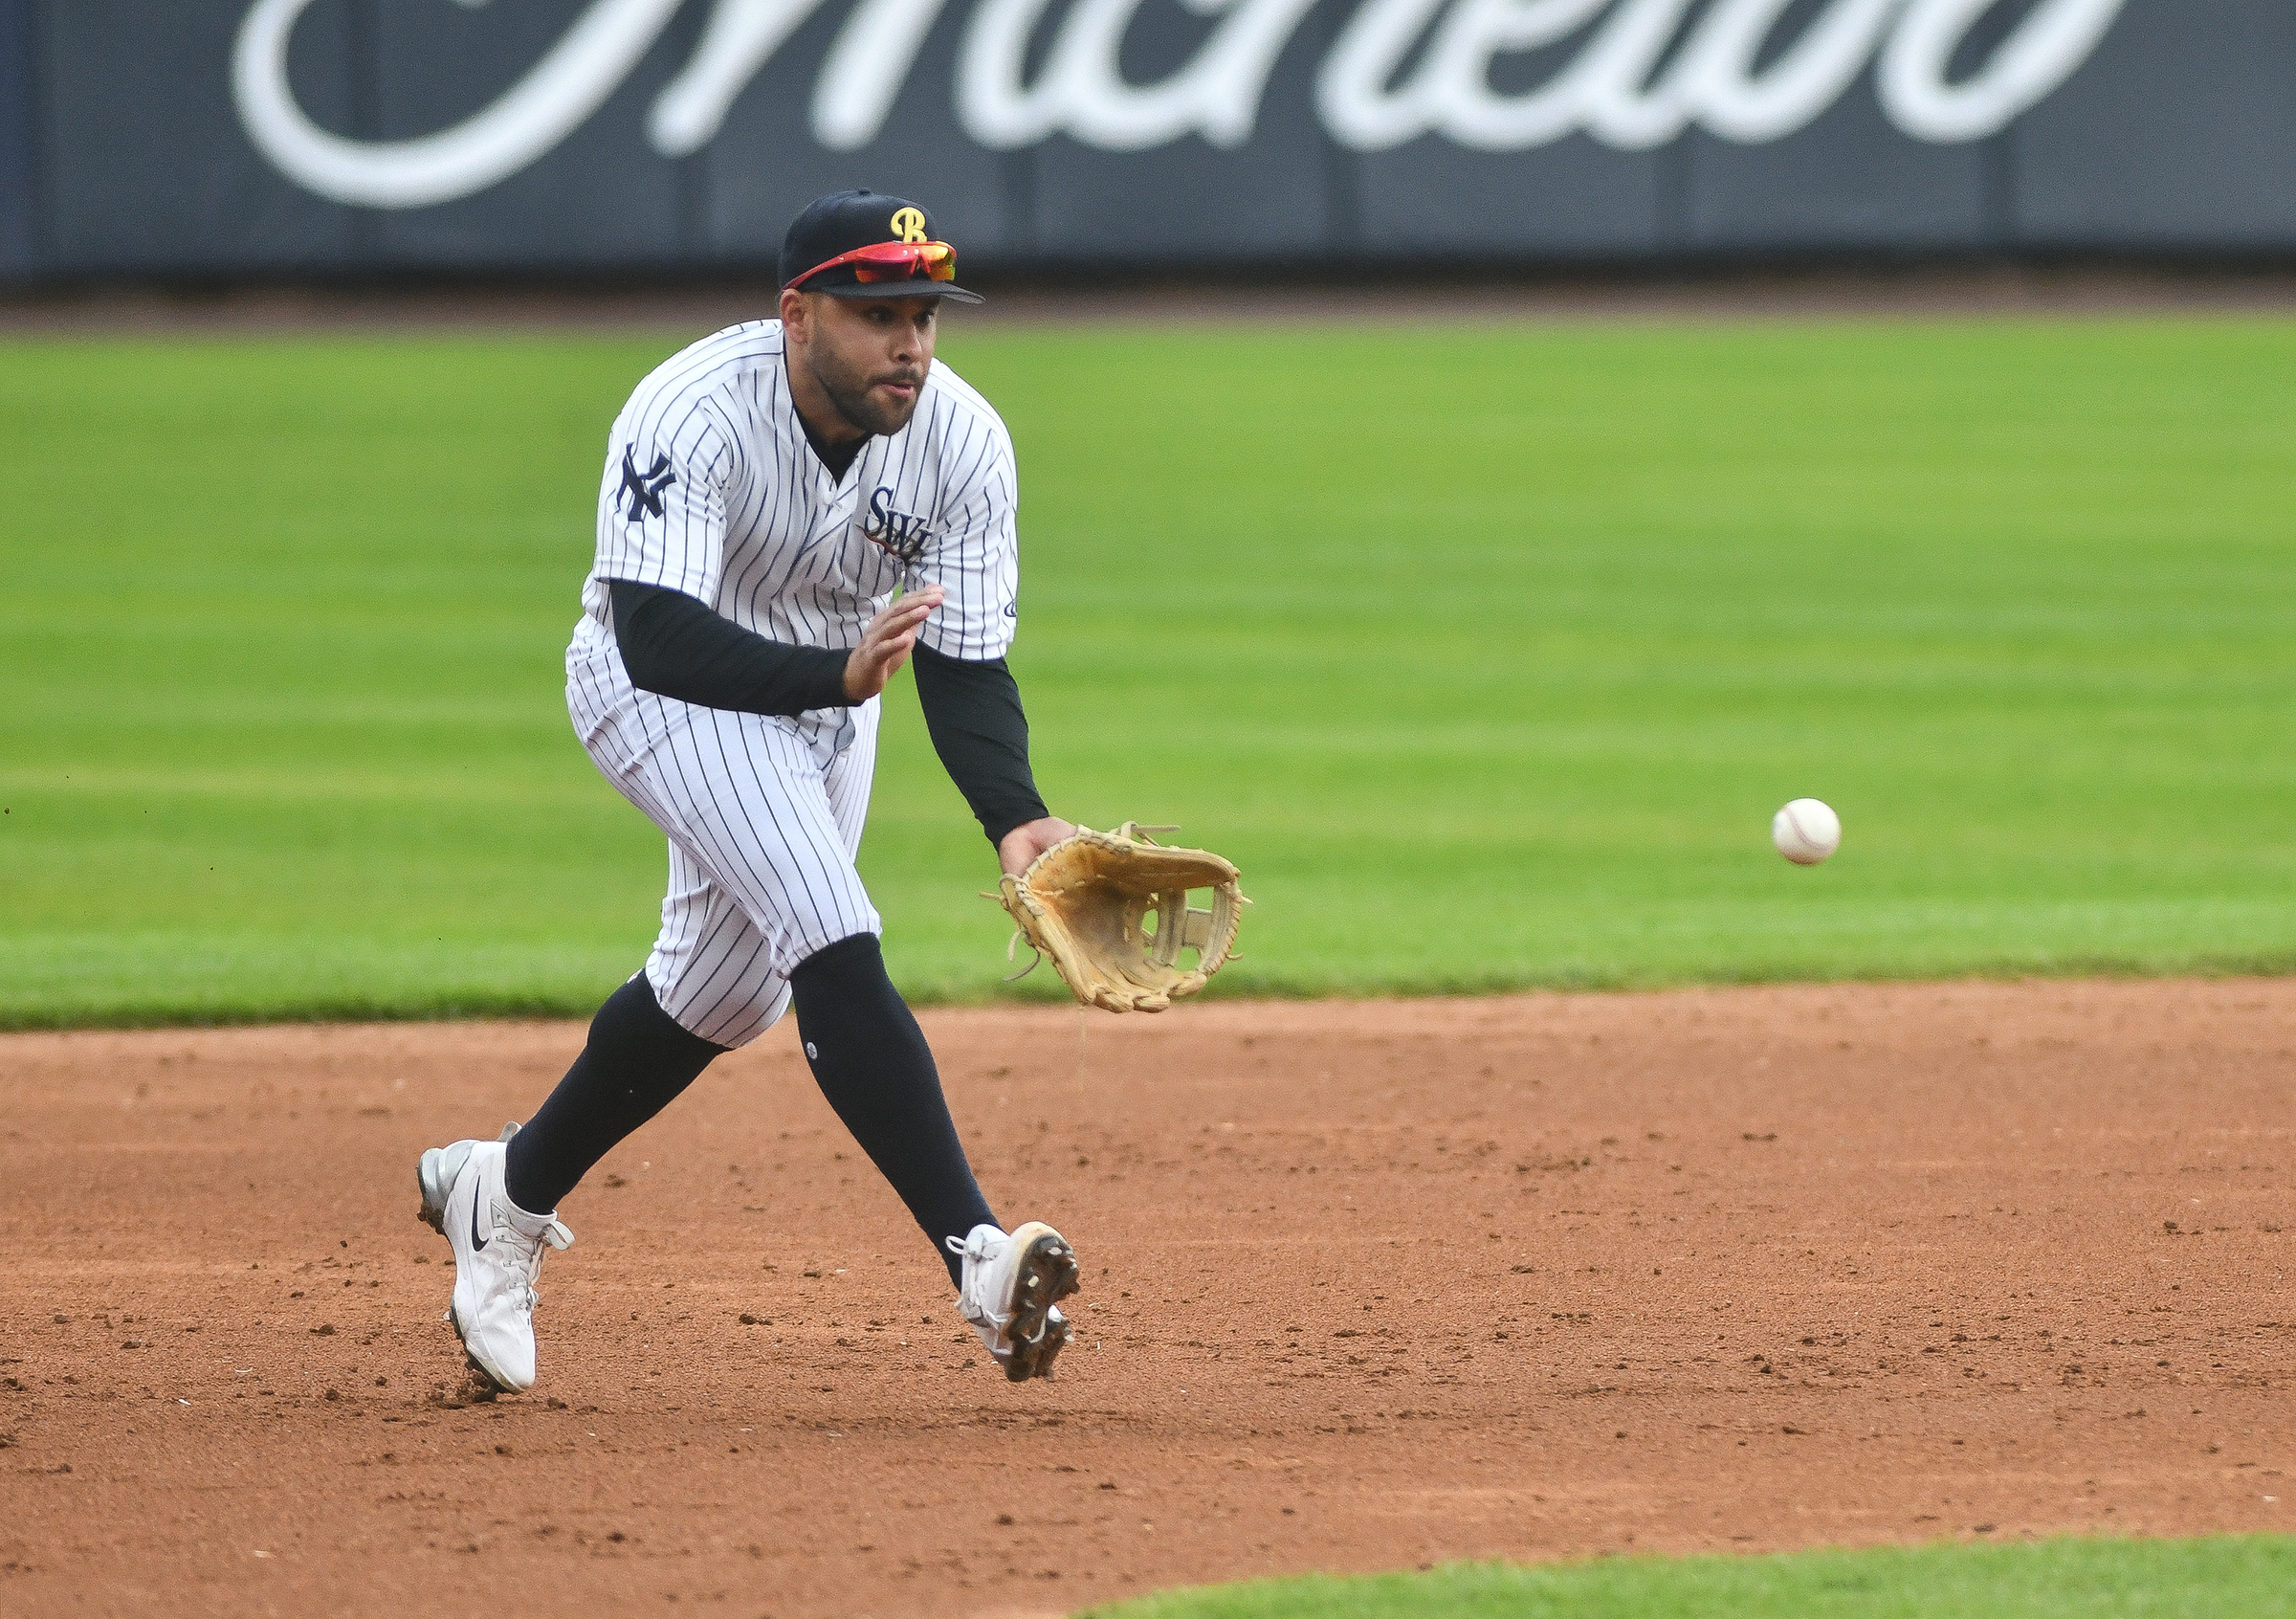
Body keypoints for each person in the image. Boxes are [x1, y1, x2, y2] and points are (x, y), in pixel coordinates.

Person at [413, 189, 1081, 1394]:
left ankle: (498, 1196)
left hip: (829, 699)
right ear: (797, 314)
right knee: (830, 926)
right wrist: (833, 670)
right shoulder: (688, 410)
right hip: (655, 690)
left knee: (727, 995)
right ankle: (978, 1258)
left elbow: (969, 662)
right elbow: (658, 634)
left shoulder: (965, 439)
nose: (911, 344)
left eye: (924, 314)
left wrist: (1014, 815)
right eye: (878, 313)